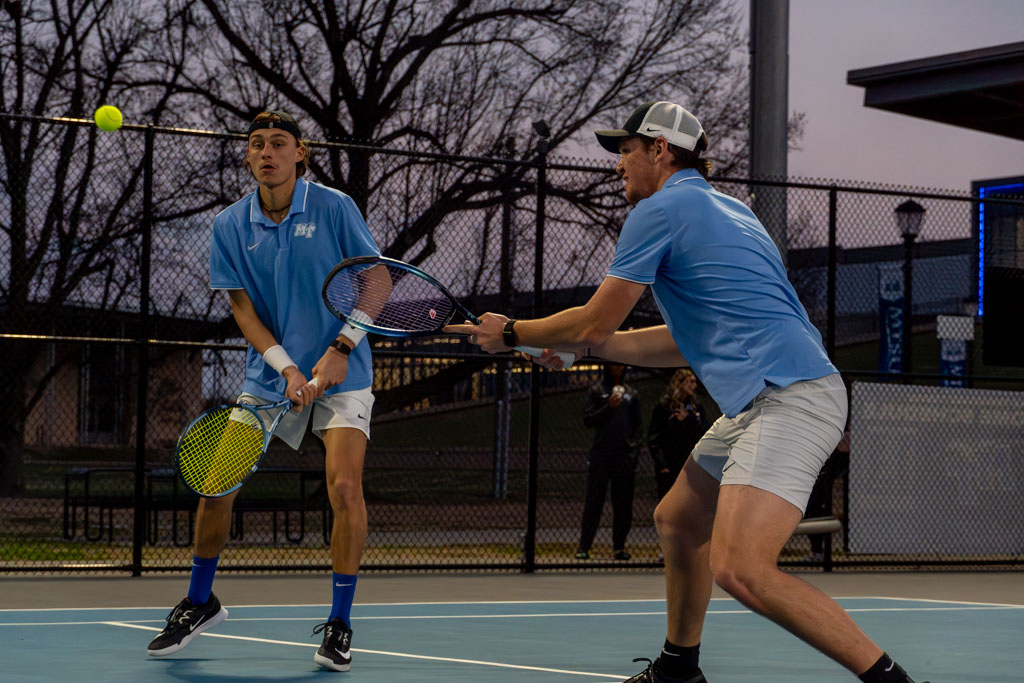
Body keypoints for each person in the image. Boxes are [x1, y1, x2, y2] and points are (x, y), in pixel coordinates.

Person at [447, 101, 927, 682]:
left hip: (789, 395)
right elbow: (678, 343)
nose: (618, 164)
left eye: (626, 151)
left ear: (661, 151)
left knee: (742, 568)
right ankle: (679, 670)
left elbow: (595, 321)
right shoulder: (733, 213)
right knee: (678, 518)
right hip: (772, 395)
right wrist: (583, 345)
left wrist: (515, 332)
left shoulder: (660, 210)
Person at [146, 111, 380, 673]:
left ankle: (340, 623)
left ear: (300, 153)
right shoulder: (229, 224)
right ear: (248, 157)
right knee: (216, 482)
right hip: (269, 375)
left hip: (345, 368)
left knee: (345, 489)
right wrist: (285, 368)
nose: (268, 152)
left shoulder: (334, 206)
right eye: (257, 145)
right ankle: (200, 602)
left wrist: (340, 349)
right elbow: (242, 310)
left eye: (280, 143)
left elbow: (377, 281)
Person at [576, 363, 642, 561]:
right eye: (614, 364)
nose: (618, 368)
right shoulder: (598, 391)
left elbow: (637, 427)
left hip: (624, 455)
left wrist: (634, 453)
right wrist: (609, 407)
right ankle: (584, 546)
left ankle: (619, 547)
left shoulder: (631, 394)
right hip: (601, 454)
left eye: (622, 365)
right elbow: (588, 420)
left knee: (623, 503)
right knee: (594, 501)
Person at [647, 368, 710, 500]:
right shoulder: (664, 406)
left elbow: (705, 432)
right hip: (670, 465)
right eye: (690, 382)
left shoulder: (695, 407)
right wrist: (662, 465)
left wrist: (689, 419)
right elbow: (654, 438)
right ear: (680, 383)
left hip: (690, 464)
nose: (694, 385)